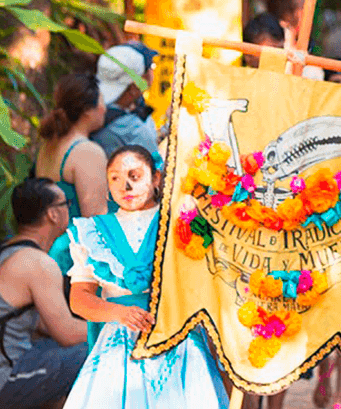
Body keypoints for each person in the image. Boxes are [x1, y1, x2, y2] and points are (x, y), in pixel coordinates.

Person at [63, 145, 228, 408]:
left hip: (179, 339)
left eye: (135, 176)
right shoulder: (93, 232)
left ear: (156, 178)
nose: (125, 186)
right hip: (118, 348)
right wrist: (118, 313)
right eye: (115, 178)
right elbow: (79, 299)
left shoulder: (181, 220)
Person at [0, 179, 88, 409]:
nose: (69, 209)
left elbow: (40, 326)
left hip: (3, 367)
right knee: (89, 353)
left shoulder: (7, 251)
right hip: (0, 379)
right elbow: (67, 333)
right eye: (67, 204)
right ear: (53, 214)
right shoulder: (37, 263)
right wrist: (116, 321)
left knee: (57, 357)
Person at [36, 73, 109, 274]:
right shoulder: (87, 152)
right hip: (71, 262)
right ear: (87, 110)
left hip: (45, 249)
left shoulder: (49, 144)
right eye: (102, 101)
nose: (105, 109)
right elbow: (95, 220)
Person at [91, 43, 160, 158]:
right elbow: (157, 166)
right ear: (134, 87)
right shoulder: (130, 127)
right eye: (151, 67)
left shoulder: (90, 109)